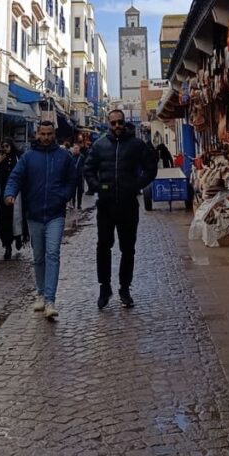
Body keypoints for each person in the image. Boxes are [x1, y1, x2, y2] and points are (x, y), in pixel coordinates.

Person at [84, 108, 158, 310]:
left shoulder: (136, 145)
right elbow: (88, 169)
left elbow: (151, 167)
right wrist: (97, 186)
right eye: (113, 122)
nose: (117, 126)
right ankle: (104, 287)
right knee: (103, 246)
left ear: (124, 123)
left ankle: (125, 288)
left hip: (128, 205)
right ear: (109, 124)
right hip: (106, 205)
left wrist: (137, 185)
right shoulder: (100, 146)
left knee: (128, 249)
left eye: (120, 122)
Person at [4, 121, 76, 319]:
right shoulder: (28, 157)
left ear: (54, 134)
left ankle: (50, 300)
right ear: (37, 134)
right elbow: (15, 177)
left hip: (55, 213)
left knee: (53, 254)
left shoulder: (64, 156)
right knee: (39, 257)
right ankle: (41, 293)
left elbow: (72, 179)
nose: (46, 137)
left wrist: (64, 195)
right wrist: (10, 193)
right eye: (42, 133)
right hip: (34, 214)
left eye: (49, 134)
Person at [0, 140, 29, 260]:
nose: (5, 148)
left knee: (16, 219)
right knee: (4, 221)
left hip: (16, 196)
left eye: (7, 146)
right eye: (3, 146)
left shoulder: (19, 159)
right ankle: (7, 246)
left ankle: (18, 238)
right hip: (2, 196)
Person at [70, 143, 85, 210]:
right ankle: (73, 204)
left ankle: (79, 204)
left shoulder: (82, 156)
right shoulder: (71, 156)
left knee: (79, 192)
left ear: (79, 149)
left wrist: (82, 171)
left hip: (79, 176)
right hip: (73, 177)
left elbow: (85, 165)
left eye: (77, 148)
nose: (75, 149)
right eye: (74, 148)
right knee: (73, 191)